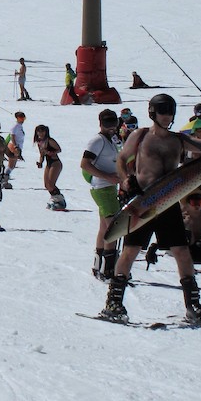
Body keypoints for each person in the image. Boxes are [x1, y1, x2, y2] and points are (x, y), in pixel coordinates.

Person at [100, 93, 201, 324]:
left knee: (182, 253)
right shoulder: (140, 136)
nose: (167, 116)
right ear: (153, 113)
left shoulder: (178, 140)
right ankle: (114, 303)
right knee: (131, 251)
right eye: (163, 111)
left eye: (171, 112)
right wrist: (125, 180)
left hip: (169, 202)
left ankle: (193, 305)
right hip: (143, 203)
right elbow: (122, 160)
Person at [81, 109, 123, 281]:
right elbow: (84, 164)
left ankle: (98, 264)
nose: (111, 127)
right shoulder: (97, 141)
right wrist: (107, 177)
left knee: (104, 227)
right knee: (113, 227)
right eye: (108, 123)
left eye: (113, 123)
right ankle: (109, 268)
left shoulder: (113, 140)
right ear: (101, 123)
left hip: (110, 187)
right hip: (102, 187)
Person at [33, 124, 64, 209]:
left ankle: (60, 200)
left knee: (51, 183)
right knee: (47, 184)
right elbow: (42, 154)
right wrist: (40, 162)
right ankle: (55, 199)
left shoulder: (50, 141)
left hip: (55, 162)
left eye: (42, 131)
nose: (41, 133)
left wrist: (51, 152)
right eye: (39, 131)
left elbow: (59, 149)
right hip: (48, 163)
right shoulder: (39, 142)